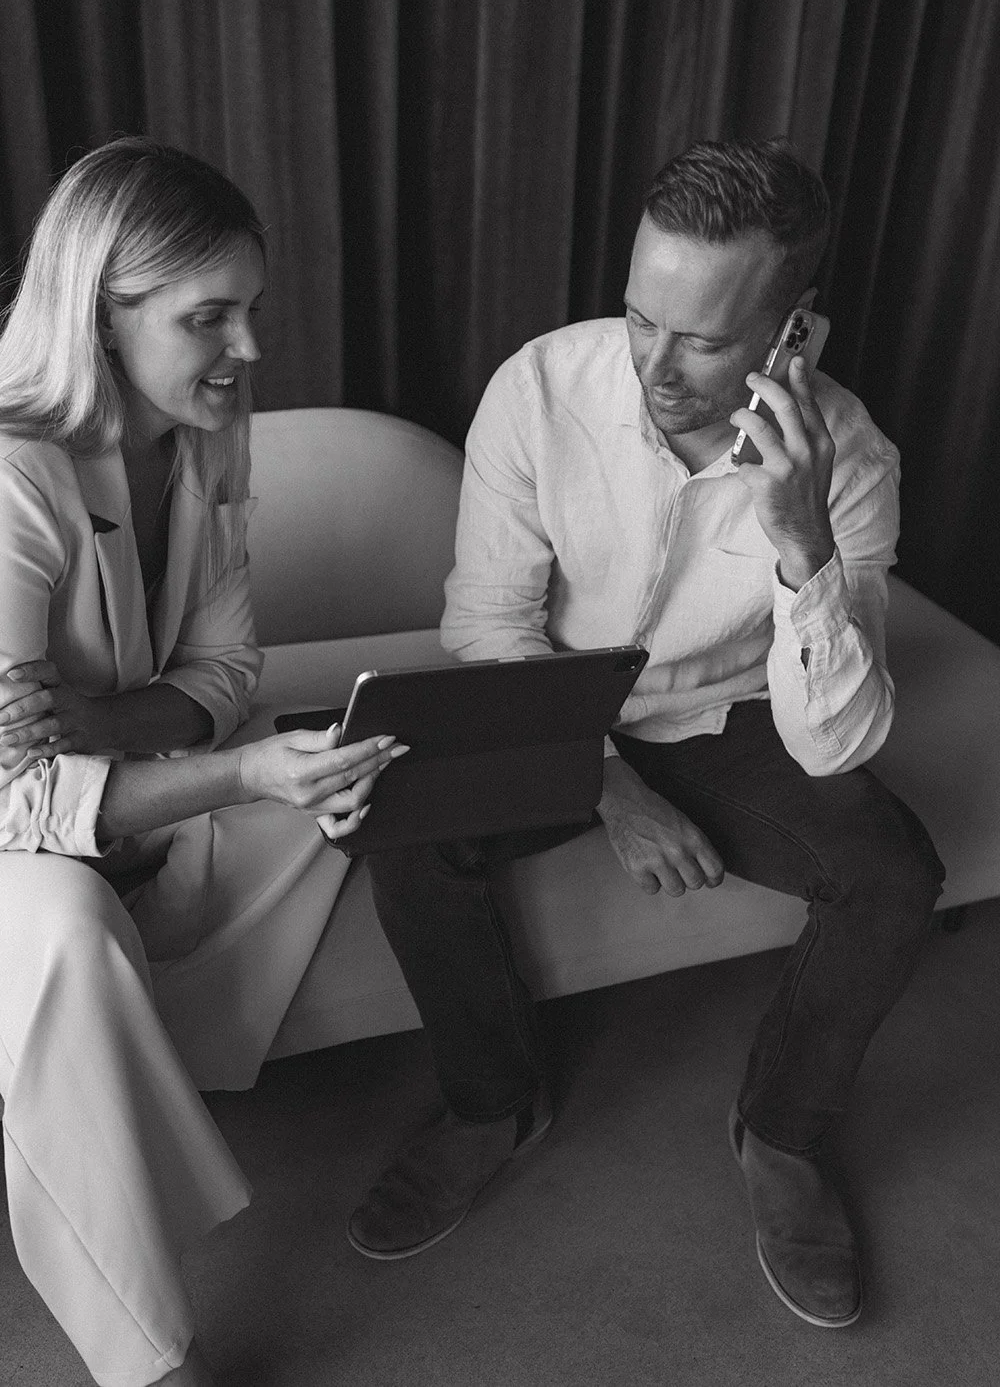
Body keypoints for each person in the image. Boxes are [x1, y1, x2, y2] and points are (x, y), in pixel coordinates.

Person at [348, 138, 945, 1328]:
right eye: (638, 317)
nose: (652, 367)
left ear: (791, 334)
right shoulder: (540, 388)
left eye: (705, 340)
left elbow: (835, 744)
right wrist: (607, 784)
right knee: (408, 837)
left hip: (736, 714)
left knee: (892, 875)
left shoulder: (850, 460)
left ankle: (781, 1137)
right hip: (549, 700)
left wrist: (799, 542)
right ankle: (489, 1105)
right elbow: (490, 621)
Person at [0, 138, 408, 1387]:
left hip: (102, 756)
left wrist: (105, 722)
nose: (249, 350)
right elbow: (15, 796)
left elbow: (227, 671)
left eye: (251, 311)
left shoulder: (208, 434)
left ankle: (139, 1071)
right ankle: (150, 1359)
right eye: (207, 318)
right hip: (12, 821)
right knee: (65, 926)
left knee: (350, 772)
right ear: (100, 316)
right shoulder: (13, 476)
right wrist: (232, 771)